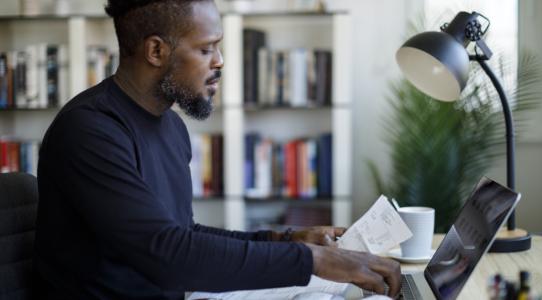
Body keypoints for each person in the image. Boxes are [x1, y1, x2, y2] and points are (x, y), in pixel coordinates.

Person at [33, 0, 402, 299]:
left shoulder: (170, 125)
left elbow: (183, 234)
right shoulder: (90, 130)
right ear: (156, 50)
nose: (220, 61)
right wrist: (312, 260)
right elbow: (169, 256)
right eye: (207, 48)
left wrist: (285, 238)